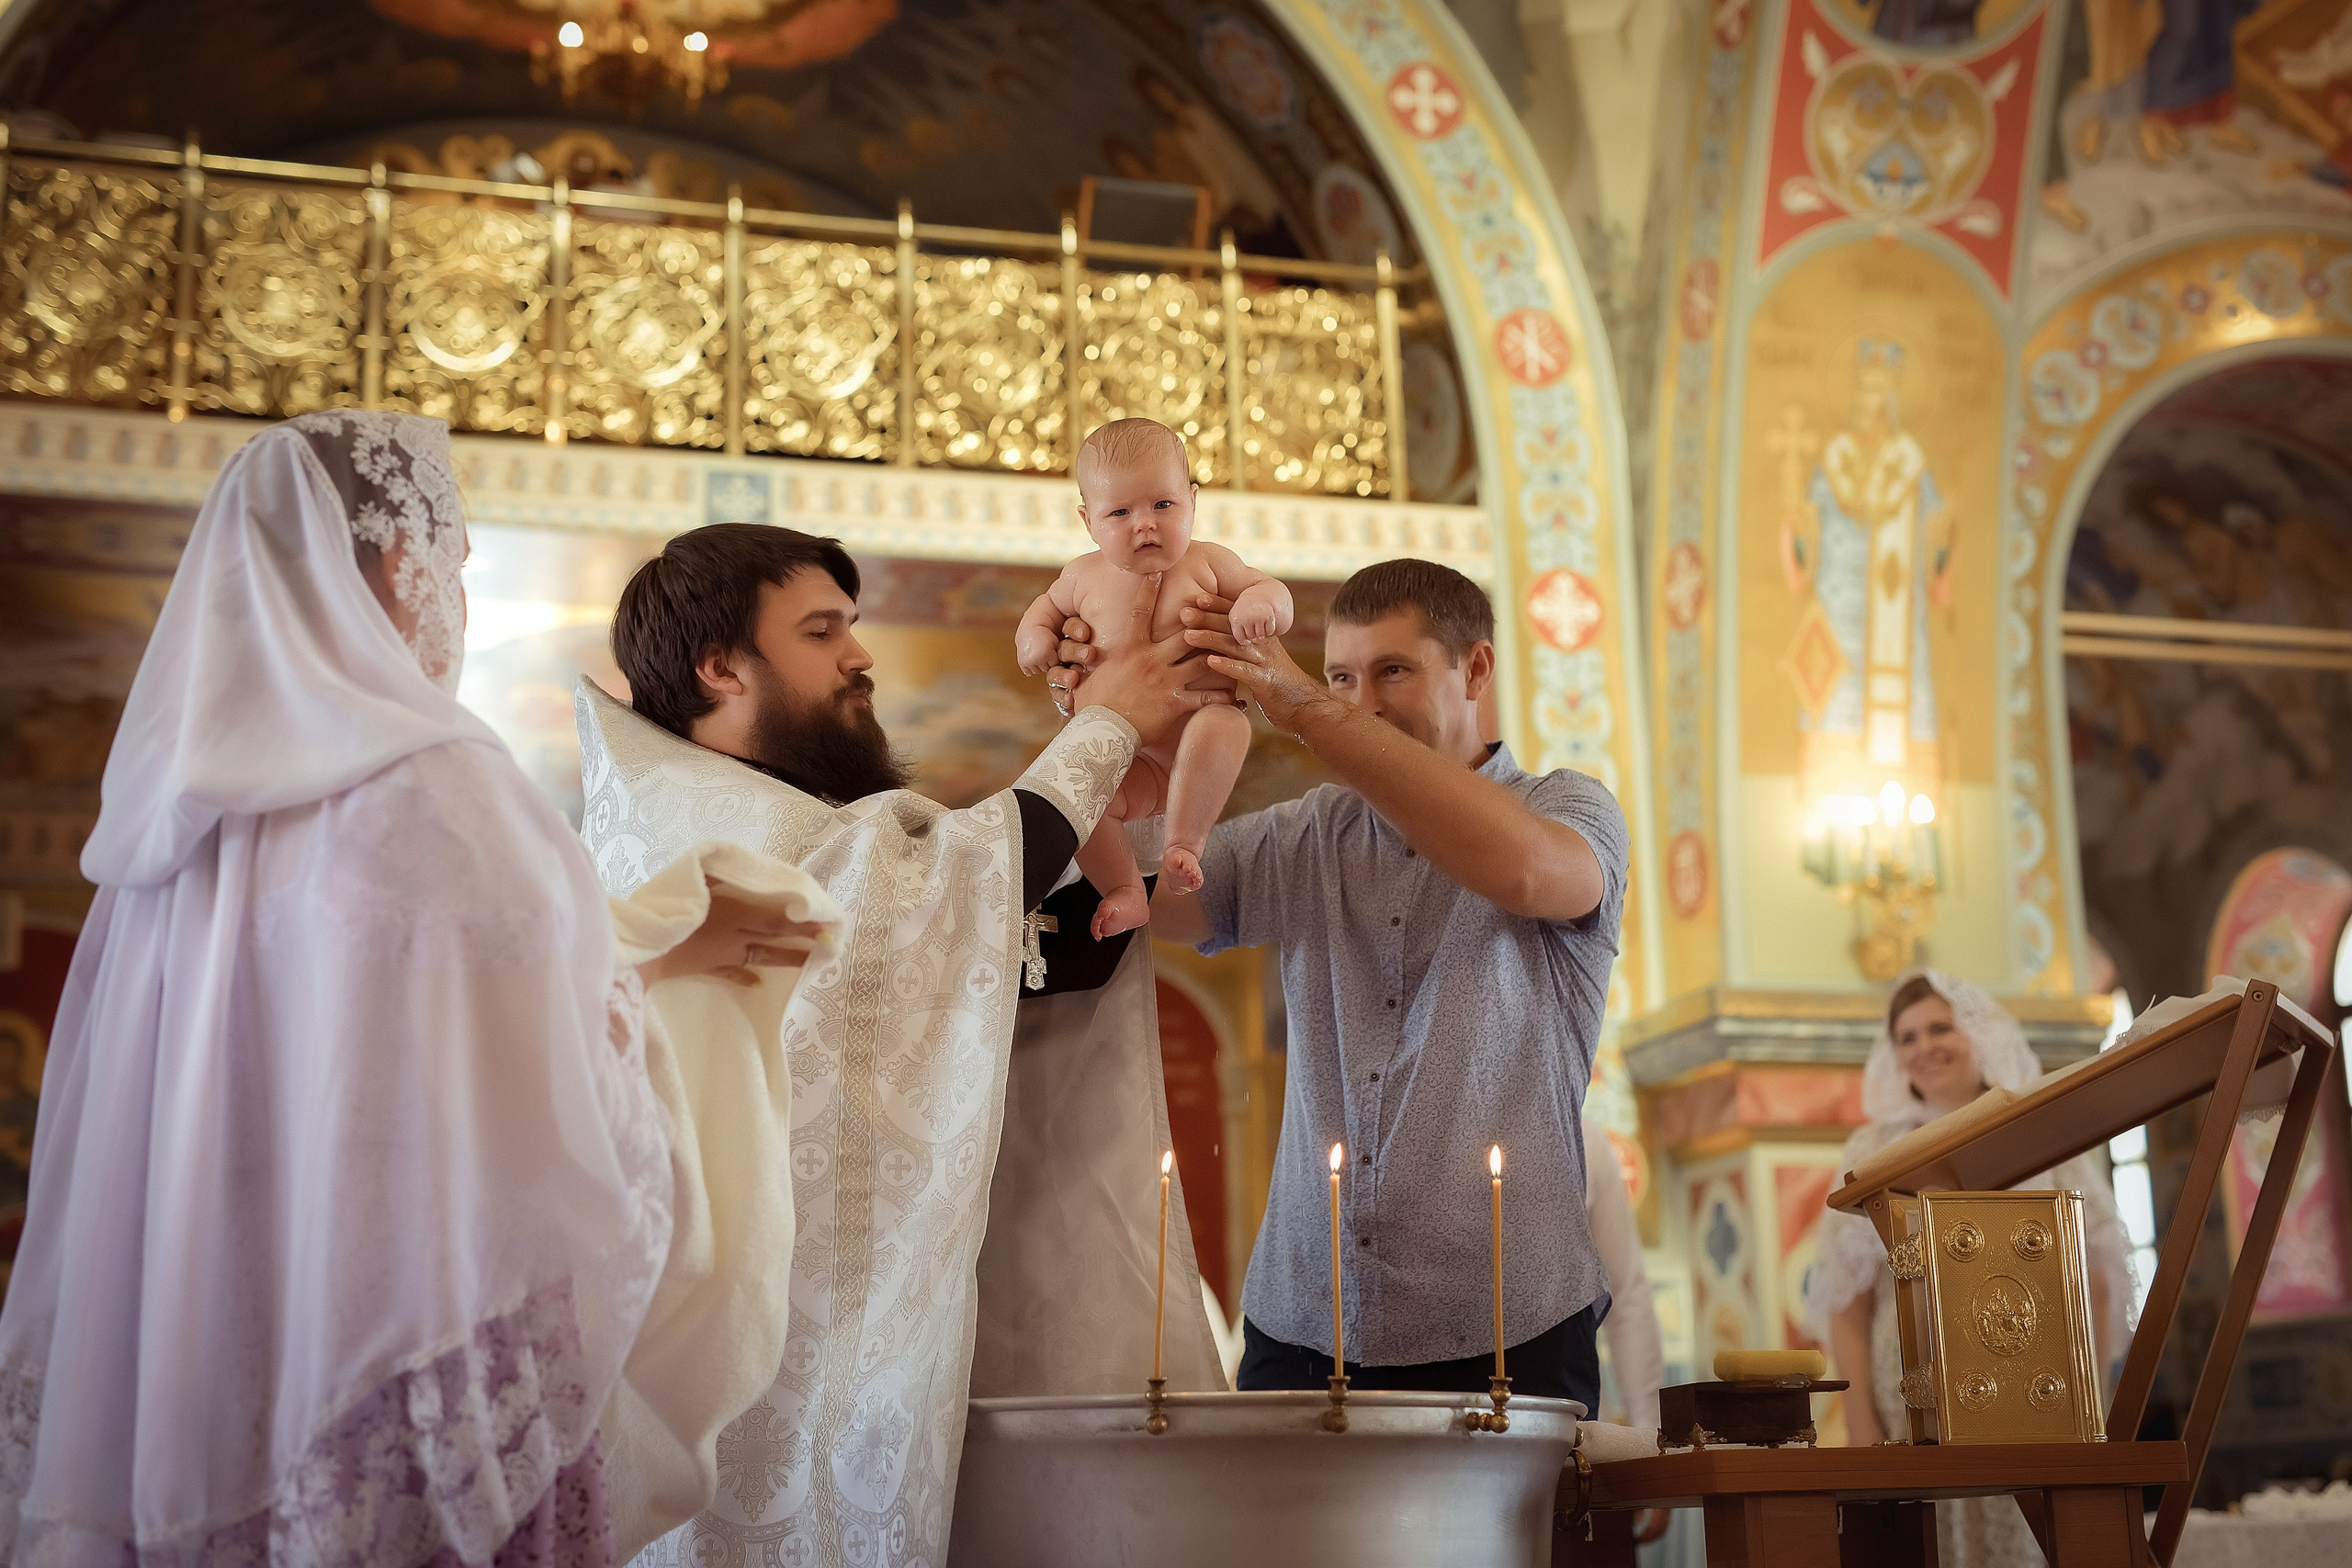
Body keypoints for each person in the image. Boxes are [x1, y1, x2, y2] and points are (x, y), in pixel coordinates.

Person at [0, 412, 815, 1568]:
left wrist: (648, 951)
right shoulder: (431, 777)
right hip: (397, 1325)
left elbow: (373, 1009)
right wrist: (654, 996)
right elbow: (531, 1057)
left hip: (208, 1321)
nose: (458, 597)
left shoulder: (188, 821)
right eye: (456, 563)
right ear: (397, 564)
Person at [577, 523, 1228, 1568]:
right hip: (756, 1363)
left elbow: (987, 955)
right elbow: (920, 909)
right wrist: (1102, 729)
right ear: (718, 666)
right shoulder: (694, 834)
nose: (859, 655)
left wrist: (1131, 822)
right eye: (822, 630)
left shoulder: (805, 821)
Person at [1102, 558, 1629, 1408]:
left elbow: (1532, 875)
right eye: (1343, 676)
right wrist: (1104, 719)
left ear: (1477, 669)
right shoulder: (1310, 834)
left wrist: (1306, 705)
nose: (1363, 702)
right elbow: (1140, 887)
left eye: (1393, 671)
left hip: (1506, 1323)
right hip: (1303, 1321)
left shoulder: (1571, 806)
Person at [1807, 968, 2133, 1568]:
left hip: (2031, 1393)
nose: (1924, 1046)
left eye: (1939, 1026)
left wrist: (2093, 1402)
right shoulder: (1869, 1150)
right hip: (1910, 1399)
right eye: (1906, 1036)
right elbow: (1847, 1300)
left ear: (1978, 1033)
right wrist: (1859, 1424)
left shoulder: (2039, 1128)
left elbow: (2098, 1274)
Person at [1016, 417, 1291, 938]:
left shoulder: (1210, 562)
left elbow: (1272, 589)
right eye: (1119, 512)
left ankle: (1184, 842)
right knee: (1081, 800)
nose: (1145, 524)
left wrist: (1260, 606)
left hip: (1194, 739)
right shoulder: (1080, 574)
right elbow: (1043, 612)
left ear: (1192, 501)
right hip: (1129, 759)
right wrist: (1034, 640)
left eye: (1163, 505)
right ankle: (1124, 889)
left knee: (1226, 724)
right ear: (1088, 521)